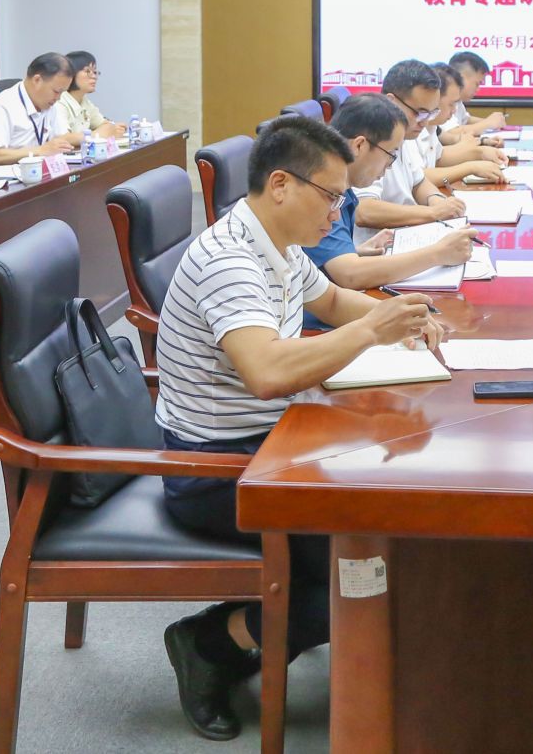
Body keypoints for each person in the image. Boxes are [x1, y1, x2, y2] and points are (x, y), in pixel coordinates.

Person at [154, 116, 440, 739]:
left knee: (392, 539)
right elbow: (266, 373)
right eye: (332, 196)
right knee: (371, 569)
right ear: (281, 184)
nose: (339, 212)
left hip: (276, 442)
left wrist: (400, 317)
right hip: (219, 470)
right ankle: (211, 641)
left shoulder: (277, 244)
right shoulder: (231, 260)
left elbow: (331, 302)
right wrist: (371, 331)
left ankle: (255, 631)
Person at [305, 93, 479, 289]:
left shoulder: (345, 188)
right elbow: (350, 276)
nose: (390, 165)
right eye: (391, 154)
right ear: (359, 145)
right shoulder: (322, 190)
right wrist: (438, 254)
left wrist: (355, 251)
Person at [355, 60, 466, 229]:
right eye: (419, 113)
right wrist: (433, 213)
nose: (424, 122)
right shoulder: (368, 138)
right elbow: (363, 210)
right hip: (379, 242)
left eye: (431, 113)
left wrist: (437, 200)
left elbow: (418, 182)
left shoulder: (405, 134)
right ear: (391, 102)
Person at [0, 53, 85, 169]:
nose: (59, 98)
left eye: (62, 92)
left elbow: (60, 138)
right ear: (37, 80)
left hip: (32, 171)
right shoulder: (1, 106)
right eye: (56, 91)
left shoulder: (50, 104)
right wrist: (40, 150)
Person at [419, 61, 505, 181]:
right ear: (434, 98)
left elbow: (439, 157)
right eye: (451, 104)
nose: (454, 110)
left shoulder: (431, 126)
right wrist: (471, 168)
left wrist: (481, 152)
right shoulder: (412, 129)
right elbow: (418, 177)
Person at [57, 50, 125, 141]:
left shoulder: (84, 101)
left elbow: (104, 124)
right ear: (71, 74)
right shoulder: (59, 101)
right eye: (88, 71)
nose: (94, 76)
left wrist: (113, 129)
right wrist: (96, 135)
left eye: (95, 72)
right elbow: (63, 138)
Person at [438, 50, 506, 141]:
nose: (478, 89)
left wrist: (492, 121)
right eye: (477, 84)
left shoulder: (458, 101)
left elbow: (466, 120)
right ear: (460, 78)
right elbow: (451, 132)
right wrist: (488, 123)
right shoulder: (443, 98)